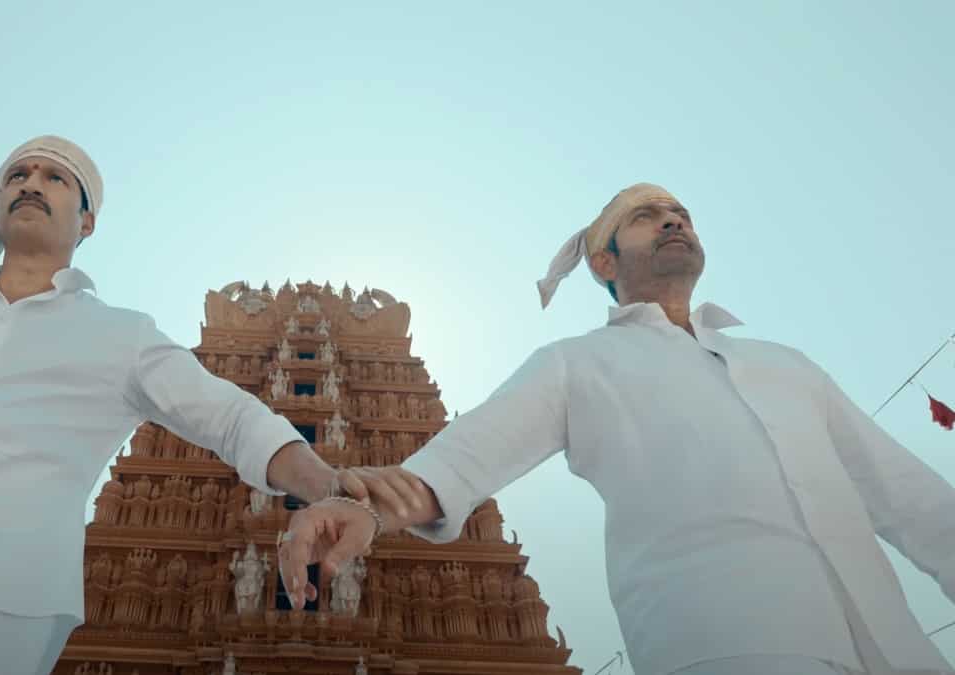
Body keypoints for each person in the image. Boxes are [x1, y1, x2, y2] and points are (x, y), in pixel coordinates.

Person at [0, 136, 421, 675]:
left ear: (87, 220)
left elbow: (230, 416)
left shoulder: (119, 335)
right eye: (18, 174)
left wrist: (329, 487)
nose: (32, 183)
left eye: (55, 177)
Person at [278, 183, 955, 675]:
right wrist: (367, 507)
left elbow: (908, 495)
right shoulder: (579, 364)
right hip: (731, 639)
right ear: (603, 262)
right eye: (644, 216)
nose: (672, 221)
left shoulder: (787, 366)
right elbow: (464, 458)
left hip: (891, 644)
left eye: (680, 213)